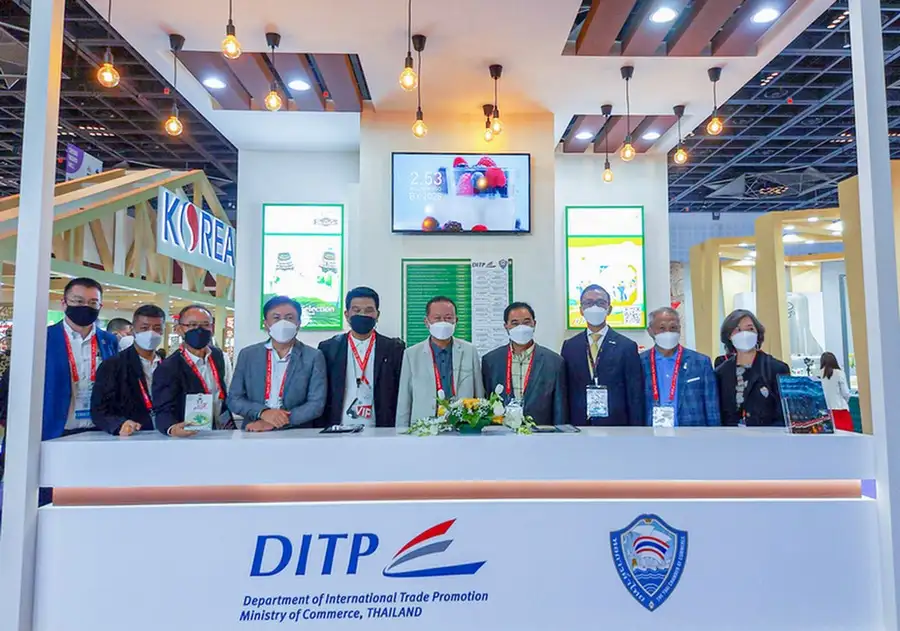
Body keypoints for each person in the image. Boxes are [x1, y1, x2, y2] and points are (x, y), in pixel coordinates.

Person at [228, 296, 327, 431]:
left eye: (289, 318)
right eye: (276, 317)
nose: (283, 323)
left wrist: (277, 422)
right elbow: (234, 399)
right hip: (254, 431)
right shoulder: (248, 355)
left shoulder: (313, 356)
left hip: (296, 433)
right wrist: (263, 413)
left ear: (298, 323)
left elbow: (316, 404)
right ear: (266, 324)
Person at [42, 277, 119, 440]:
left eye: (93, 303)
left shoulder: (109, 341)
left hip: (99, 431)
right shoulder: (44, 338)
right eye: (78, 301)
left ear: (100, 306)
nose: (85, 307)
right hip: (54, 431)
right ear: (64, 303)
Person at [317, 287, 406, 428]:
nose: (363, 315)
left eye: (369, 310)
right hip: (338, 428)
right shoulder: (329, 348)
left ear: (377, 315)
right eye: (356, 310)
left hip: (381, 429)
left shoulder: (394, 349)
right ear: (347, 314)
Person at [560, 284, 644, 426]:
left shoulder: (627, 346)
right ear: (581, 310)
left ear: (609, 309)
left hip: (615, 425)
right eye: (588, 303)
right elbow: (565, 390)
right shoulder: (570, 346)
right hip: (579, 425)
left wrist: (636, 429)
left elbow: (634, 394)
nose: (594, 307)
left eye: (600, 302)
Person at [396, 296, 483, 428]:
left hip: (463, 426)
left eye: (448, 318)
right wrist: (401, 432)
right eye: (437, 318)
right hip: (424, 428)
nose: (443, 322)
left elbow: (479, 396)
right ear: (427, 322)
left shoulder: (470, 351)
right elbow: (404, 399)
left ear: (456, 320)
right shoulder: (411, 354)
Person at [481, 302, 567, 425]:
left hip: (540, 431)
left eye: (526, 322)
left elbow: (560, 409)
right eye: (515, 323)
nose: (521, 328)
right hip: (501, 430)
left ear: (534, 324)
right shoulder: (490, 361)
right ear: (506, 326)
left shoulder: (554, 362)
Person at [153, 305, 233, 437]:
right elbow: (163, 409)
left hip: (222, 430)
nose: (199, 330)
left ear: (212, 328)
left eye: (205, 325)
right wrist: (171, 428)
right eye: (192, 325)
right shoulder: (168, 367)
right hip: (190, 434)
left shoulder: (219, 356)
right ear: (180, 329)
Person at [91, 305, 166, 436]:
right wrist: (119, 424)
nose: (151, 333)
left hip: (166, 435)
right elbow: (99, 410)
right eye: (144, 328)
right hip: (132, 436)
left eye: (157, 328)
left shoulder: (169, 365)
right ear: (132, 330)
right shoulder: (113, 365)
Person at [639, 307, 720, 427]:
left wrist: (715, 433)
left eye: (673, 327)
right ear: (650, 331)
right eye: (662, 328)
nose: (668, 332)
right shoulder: (639, 363)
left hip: (691, 433)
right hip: (650, 433)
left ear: (679, 329)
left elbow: (711, 406)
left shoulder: (700, 362)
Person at [715, 309, 790, 427]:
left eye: (750, 329)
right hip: (731, 436)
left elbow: (784, 415)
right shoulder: (721, 373)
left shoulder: (776, 369)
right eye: (738, 330)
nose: (744, 334)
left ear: (757, 333)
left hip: (767, 436)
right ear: (729, 336)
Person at [819, 351, 853, 431]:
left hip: (825, 411)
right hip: (841, 410)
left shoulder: (818, 374)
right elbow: (846, 393)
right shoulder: (839, 373)